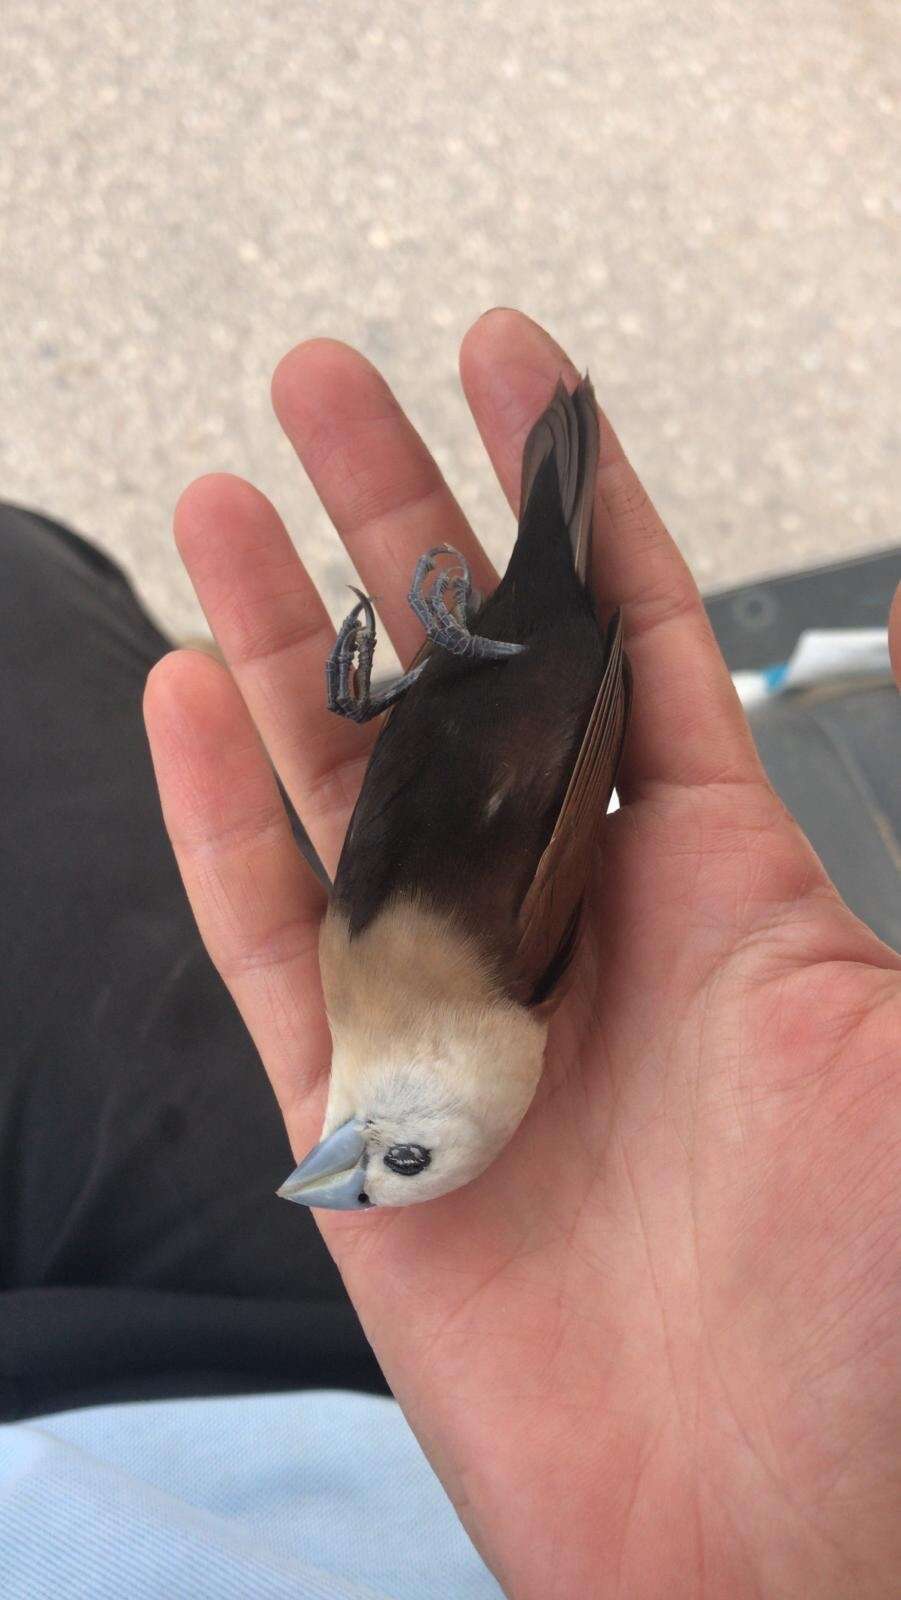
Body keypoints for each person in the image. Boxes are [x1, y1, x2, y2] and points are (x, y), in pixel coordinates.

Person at [1, 309, 899, 1598]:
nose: (348, 1158)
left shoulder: (370, 1004)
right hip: (534, 676)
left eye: (368, 1168)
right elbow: (542, 776)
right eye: (398, 1156)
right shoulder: (488, 985)